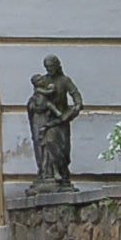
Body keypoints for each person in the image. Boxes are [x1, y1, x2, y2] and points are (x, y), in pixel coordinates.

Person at [27, 56, 84, 187]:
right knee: (48, 142)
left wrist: (78, 104)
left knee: (62, 149)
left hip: (61, 120)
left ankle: (61, 172)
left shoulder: (64, 80)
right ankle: (48, 173)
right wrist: (35, 105)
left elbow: (75, 94)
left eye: (51, 66)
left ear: (58, 66)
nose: (49, 69)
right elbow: (36, 97)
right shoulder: (44, 80)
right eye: (47, 67)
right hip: (47, 119)